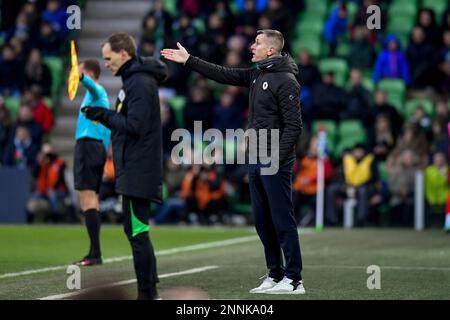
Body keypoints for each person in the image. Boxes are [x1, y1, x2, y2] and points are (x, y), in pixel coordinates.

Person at [161, 29, 305, 294]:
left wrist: (276, 157)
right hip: (256, 155)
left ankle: (294, 279)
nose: (252, 46)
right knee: (262, 220)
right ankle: (275, 274)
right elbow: (224, 74)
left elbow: (294, 127)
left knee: (281, 218)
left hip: (274, 158)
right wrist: (190, 60)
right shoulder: (257, 74)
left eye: (257, 43)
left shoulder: (286, 80)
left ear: (270, 50)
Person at [82, 32, 168, 300]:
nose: (105, 64)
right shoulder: (134, 80)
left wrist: (103, 115)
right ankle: (150, 290)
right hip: (135, 167)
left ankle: (147, 293)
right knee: (137, 231)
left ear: (123, 54)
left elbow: (135, 126)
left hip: (138, 168)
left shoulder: (139, 83)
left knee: (137, 233)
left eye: (108, 58)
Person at [73, 59, 111, 267]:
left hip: (89, 147)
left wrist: (80, 77)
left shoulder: (97, 92)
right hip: (94, 148)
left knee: (87, 198)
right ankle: (94, 252)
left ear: (87, 72)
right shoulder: (94, 96)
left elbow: (92, 86)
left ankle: (95, 254)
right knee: (90, 199)